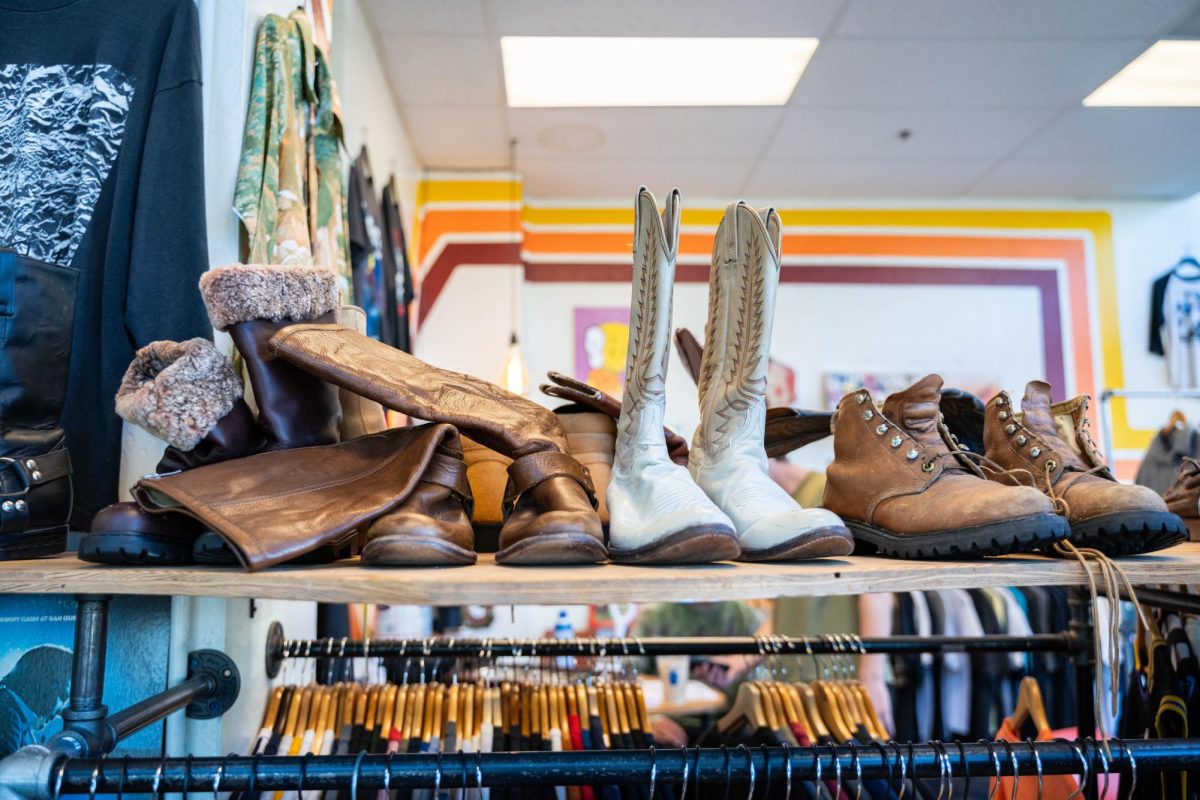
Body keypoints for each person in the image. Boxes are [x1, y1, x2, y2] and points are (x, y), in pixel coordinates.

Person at [633, 601, 769, 746]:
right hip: (667, 729)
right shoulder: (654, 616)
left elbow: (764, 685)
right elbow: (628, 676)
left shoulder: (747, 617)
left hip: (729, 729)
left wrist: (736, 667)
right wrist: (649, 719)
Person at [0, 645, 72, 757]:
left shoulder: (13, 717)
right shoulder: (8, 716)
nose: (60, 713)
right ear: (48, 685)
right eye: (62, 697)